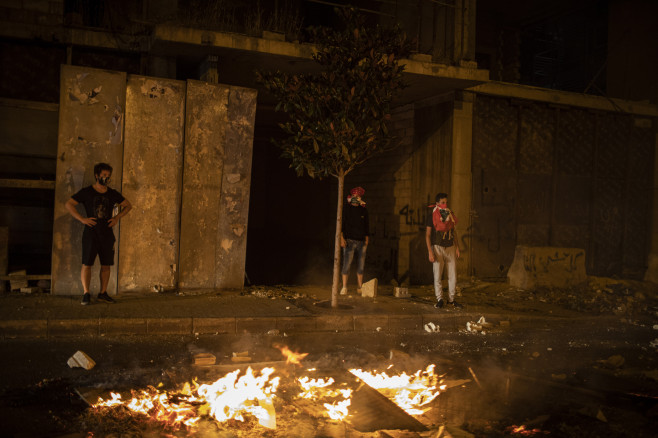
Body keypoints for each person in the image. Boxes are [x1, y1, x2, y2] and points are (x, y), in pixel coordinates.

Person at [65, 163, 132, 305]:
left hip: (107, 234)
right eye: (104, 175)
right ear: (97, 175)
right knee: (87, 264)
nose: (106, 178)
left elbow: (128, 205)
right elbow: (69, 204)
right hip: (91, 233)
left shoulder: (112, 193)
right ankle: (86, 293)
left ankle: (103, 293)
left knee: (106, 264)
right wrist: (82, 219)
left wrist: (117, 218)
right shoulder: (87, 192)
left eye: (108, 176)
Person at [425, 192, 463, 309]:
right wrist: (430, 251)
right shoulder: (432, 216)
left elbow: (454, 232)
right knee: (438, 275)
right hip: (437, 247)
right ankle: (440, 299)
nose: (445, 204)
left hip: (450, 247)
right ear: (437, 203)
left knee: (453, 275)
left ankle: (451, 300)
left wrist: (457, 247)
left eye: (446, 202)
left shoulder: (450, 214)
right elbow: (427, 235)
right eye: (442, 202)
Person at [340, 186, 369, 295]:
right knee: (346, 265)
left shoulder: (363, 210)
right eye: (353, 195)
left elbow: (367, 226)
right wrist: (341, 238)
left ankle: (359, 287)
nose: (355, 197)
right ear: (351, 196)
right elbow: (341, 224)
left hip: (361, 241)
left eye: (357, 196)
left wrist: (367, 239)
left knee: (361, 266)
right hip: (349, 241)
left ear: (360, 197)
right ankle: (344, 287)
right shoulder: (346, 209)